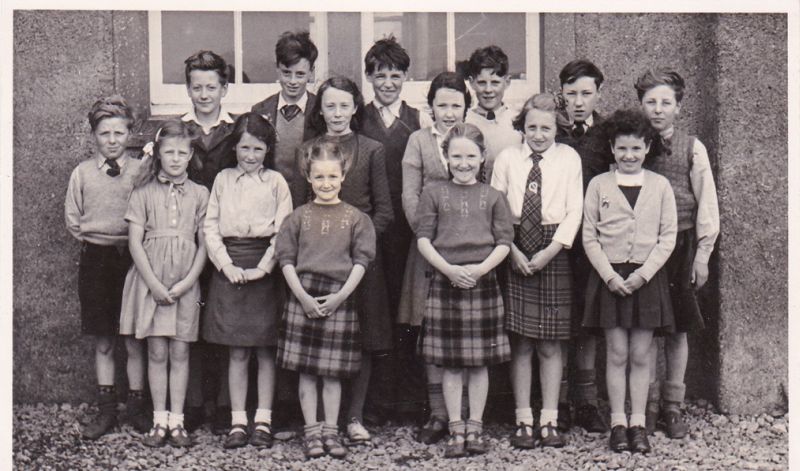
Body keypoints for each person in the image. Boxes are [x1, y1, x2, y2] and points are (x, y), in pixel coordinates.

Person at [301, 76, 394, 443]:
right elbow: (300, 206)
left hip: (361, 259)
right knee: (324, 335)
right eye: (330, 106)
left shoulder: (371, 149)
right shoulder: (308, 149)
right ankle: (324, 421)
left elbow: (384, 211)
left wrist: (358, 245)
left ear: (355, 108)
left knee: (362, 335)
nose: (337, 113)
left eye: (344, 105)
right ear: (320, 109)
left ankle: (354, 416)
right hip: (319, 257)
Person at [582, 109, 677, 454]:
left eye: (636, 149)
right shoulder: (599, 185)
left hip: (645, 278)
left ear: (647, 147)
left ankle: (638, 422)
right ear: (611, 147)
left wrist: (642, 275)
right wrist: (609, 275)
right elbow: (589, 236)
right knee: (617, 353)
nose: (629, 156)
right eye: (622, 149)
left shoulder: (660, 186)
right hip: (610, 278)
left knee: (641, 353)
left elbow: (667, 238)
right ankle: (618, 423)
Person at [415, 123, 513, 458]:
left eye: (470, 156)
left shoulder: (494, 196)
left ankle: (476, 427)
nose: (463, 162)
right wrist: (450, 270)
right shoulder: (432, 193)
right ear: (445, 158)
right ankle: (455, 427)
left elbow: (504, 242)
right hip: (446, 280)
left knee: (478, 363)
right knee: (452, 363)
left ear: (482, 157)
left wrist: (479, 270)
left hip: (482, 282)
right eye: (456, 156)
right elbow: (424, 239)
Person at [491, 93, 582, 448]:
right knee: (522, 342)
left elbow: (574, 210)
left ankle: (549, 418)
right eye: (532, 127)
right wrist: (509, 249)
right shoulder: (508, 159)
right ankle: (523, 418)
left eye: (546, 128)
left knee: (550, 343)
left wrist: (551, 251)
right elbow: (496, 210)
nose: (539, 135)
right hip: (513, 245)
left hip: (553, 247)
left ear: (557, 127)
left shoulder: (569, 158)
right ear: (522, 127)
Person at [276, 140, 376, 459]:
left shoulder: (357, 218)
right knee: (307, 371)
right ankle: (312, 433)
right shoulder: (297, 217)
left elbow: (361, 261)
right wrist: (303, 297)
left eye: (332, 177)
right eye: (319, 177)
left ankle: (332, 431)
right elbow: (286, 259)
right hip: (303, 293)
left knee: (332, 373)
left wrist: (340, 297)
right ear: (308, 177)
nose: (326, 184)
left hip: (339, 294)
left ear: (343, 176)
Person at [635, 68, 720, 438]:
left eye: (665, 102)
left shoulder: (691, 147)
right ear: (641, 105)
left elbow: (707, 203)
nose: (657, 109)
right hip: (642, 248)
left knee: (678, 330)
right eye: (650, 102)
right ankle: (648, 404)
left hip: (682, 246)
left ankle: (673, 405)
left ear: (678, 107)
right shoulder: (633, 144)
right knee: (647, 329)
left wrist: (702, 254)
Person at [202, 112, 293, 449]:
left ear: (267, 149)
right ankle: (238, 420)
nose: (250, 156)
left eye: (257, 149)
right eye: (244, 148)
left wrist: (264, 267)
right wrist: (226, 265)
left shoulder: (276, 183)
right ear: (235, 148)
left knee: (266, 350)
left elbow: (283, 230)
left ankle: (264, 420)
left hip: (263, 270)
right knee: (237, 351)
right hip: (232, 267)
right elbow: (210, 227)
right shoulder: (223, 180)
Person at [119, 120, 210, 447]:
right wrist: (154, 284)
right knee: (156, 351)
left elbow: (205, 244)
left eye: (181, 153)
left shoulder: (200, 194)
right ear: (157, 154)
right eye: (168, 152)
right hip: (151, 282)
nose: (175, 158)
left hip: (185, 282)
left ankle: (177, 421)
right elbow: (134, 243)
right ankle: (158, 420)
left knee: (181, 351)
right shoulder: (143, 192)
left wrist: (188, 282)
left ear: (190, 156)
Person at [356, 36, 432, 428]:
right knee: (377, 313)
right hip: (371, 228)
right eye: (380, 75)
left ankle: (409, 398)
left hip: (409, 231)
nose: (388, 82)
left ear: (406, 77)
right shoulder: (359, 119)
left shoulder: (418, 120)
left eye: (395, 75)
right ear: (368, 77)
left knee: (409, 315)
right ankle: (375, 400)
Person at [65, 95, 150, 440]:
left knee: (133, 338)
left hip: (133, 258)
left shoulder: (141, 171)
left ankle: (137, 408)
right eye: (104, 133)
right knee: (104, 338)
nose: (112, 140)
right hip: (97, 261)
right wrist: (98, 239)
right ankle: (106, 410)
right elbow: (73, 221)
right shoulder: (82, 173)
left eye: (118, 132)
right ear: (94, 136)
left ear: (129, 134)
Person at [400, 71, 472, 445]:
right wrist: (433, 241)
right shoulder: (418, 142)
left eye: (455, 105)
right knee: (431, 331)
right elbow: (411, 199)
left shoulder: (472, 139)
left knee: (463, 328)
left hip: (469, 251)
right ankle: (438, 413)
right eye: (441, 105)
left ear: (465, 107)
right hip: (428, 249)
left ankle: (463, 412)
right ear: (430, 108)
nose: (448, 112)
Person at [178, 49, 239, 432]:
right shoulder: (177, 131)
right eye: (197, 87)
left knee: (221, 318)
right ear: (188, 89)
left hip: (224, 238)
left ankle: (221, 404)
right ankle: (194, 403)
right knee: (189, 319)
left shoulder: (234, 131)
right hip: (185, 239)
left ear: (224, 88)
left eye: (211, 87)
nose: (204, 94)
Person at [554, 59, 611, 433]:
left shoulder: (607, 134)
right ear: (561, 93)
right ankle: (556, 402)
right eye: (571, 93)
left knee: (589, 320)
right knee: (557, 319)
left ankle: (587, 401)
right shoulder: (549, 130)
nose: (578, 102)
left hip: (593, 240)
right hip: (556, 239)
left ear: (598, 94)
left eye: (586, 94)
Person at [251, 31, 321, 208]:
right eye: (286, 73)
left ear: (311, 72)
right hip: (269, 202)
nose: (292, 81)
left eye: (300, 74)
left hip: (311, 201)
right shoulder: (260, 110)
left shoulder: (320, 111)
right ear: (277, 69)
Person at [463, 45, 522, 183]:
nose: (488, 90)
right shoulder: (465, 121)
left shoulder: (518, 121)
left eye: (495, 82)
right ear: (472, 83)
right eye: (482, 83)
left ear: (507, 82)